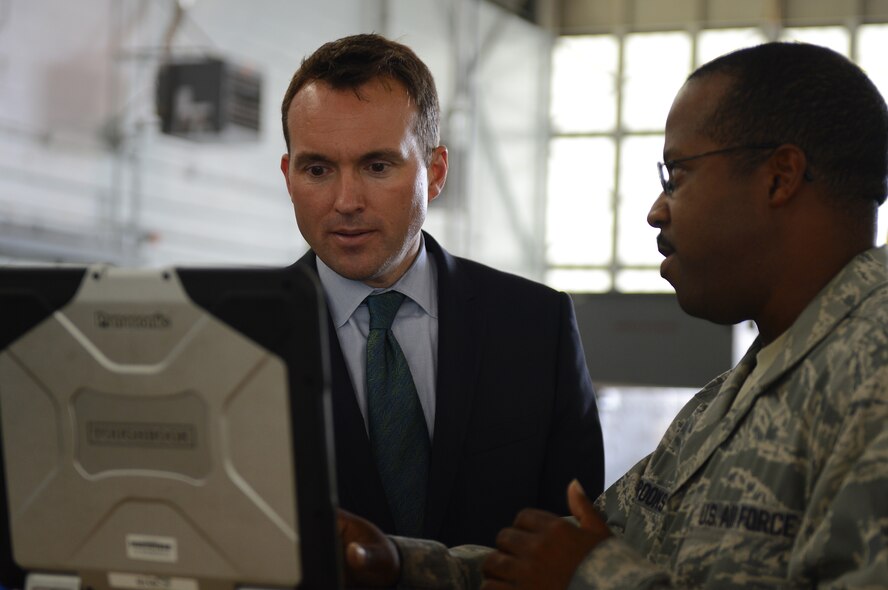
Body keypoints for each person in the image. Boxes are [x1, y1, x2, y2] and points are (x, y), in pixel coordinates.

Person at [338, 41, 888, 588]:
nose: (656, 210)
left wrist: (593, 577)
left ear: (779, 176)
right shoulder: (723, 406)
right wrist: (393, 561)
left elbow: (581, 566)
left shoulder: (872, 377)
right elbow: (560, 555)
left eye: (678, 174)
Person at [279, 33, 604, 548]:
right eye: (318, 169)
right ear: (288, 176)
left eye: (377, 166)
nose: (346, 201)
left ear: (434, 173)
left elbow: (575, 539)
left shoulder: (535, 327)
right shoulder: (238, 336)